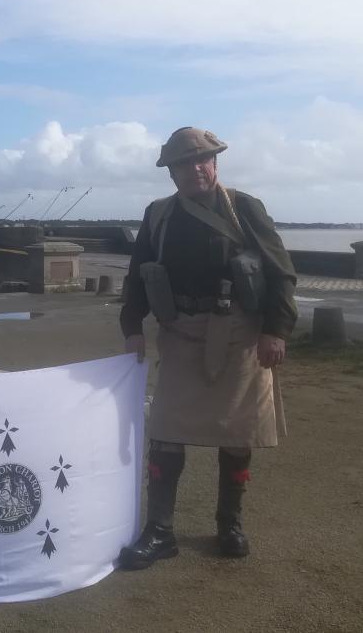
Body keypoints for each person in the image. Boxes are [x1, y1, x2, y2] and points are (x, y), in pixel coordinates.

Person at [117, 127, 296, 569]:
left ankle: (229, 523)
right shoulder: (158, 215)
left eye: (204, 160)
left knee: (237, 433)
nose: (196, 169)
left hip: (240, 335)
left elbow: (280, 272)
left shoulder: (244, 209)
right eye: (185, 164)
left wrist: (277, 329)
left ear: (215, 164)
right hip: (180, 332)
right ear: (172, 174)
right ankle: (160, 531)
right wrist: (131, 325)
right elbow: (139, 272)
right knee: (165, 432)